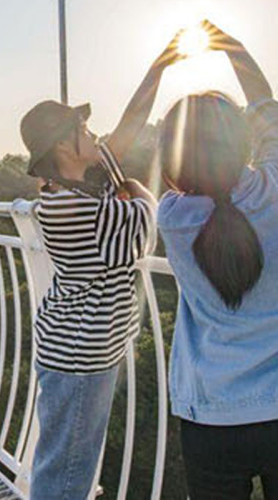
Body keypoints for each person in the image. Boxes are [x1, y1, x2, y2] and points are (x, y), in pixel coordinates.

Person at [19, 33, 183, 500]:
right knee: (68, 472)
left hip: (76, 346)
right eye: (85, 131)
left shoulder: (73, 189)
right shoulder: (80, 211)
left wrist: (158, 69)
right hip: (81, 355)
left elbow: (127, 129)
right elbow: (148, 220)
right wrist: (136, 185)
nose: (94, 135)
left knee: (66, 461)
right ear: (66, 147)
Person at [157, 20, 278, 499]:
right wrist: (235, 49)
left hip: (210, 415)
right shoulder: (272, 191)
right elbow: (268, 111)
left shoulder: (173, 217)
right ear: (240, 142)